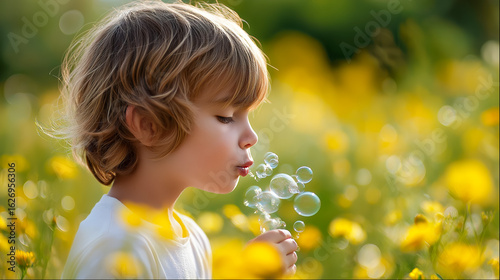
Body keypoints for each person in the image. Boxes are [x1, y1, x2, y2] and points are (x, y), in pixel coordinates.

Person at [58, 0, 298, 278]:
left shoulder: (193, 237)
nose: (251, 137)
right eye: (226, 117)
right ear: (149, 126)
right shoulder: (114, 247)